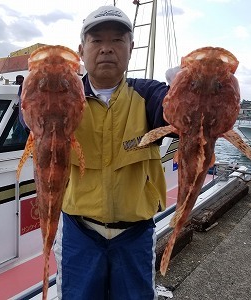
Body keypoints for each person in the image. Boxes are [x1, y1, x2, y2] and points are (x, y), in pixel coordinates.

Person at [53, 6, 172, 299]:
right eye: (97, 41)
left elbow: (172, 113)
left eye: (118, 40)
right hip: (79, 231)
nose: (107, 48)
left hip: (135, 234)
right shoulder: (62, 96)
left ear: (130, 48)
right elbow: (26, 118)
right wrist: (28, 93)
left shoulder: (148, 94)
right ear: (81, 50)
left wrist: (190, 89)